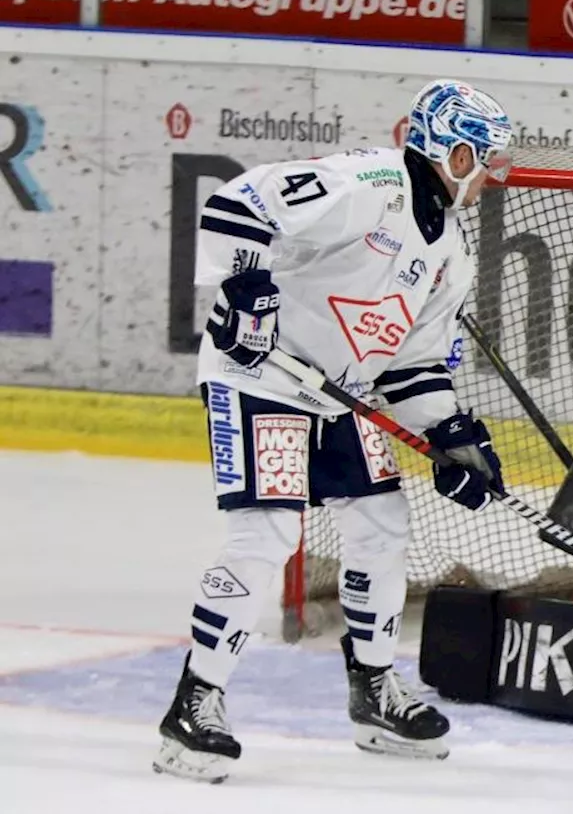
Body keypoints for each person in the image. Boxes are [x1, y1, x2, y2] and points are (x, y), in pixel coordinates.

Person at [154, 80, 513, 783]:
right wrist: (246, 289)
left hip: (337, 394)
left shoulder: (453, 255)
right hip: (258, 379)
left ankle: (374, 692)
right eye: (488, 159)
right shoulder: (366, 182)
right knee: (268, 534)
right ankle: (194, 702)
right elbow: (237, 204)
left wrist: (451, 436)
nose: (494, 177)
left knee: (383, 519)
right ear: (458, 152)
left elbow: (409, 367)